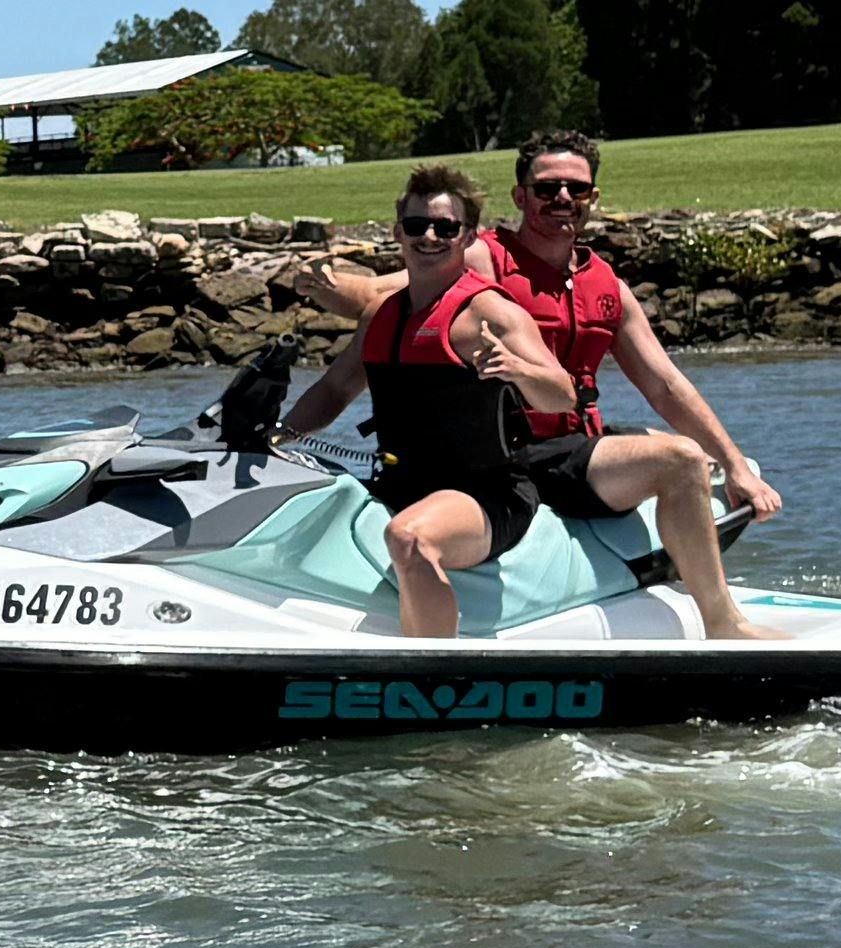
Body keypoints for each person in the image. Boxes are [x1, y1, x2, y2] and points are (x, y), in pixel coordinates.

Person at [307, 133, 775, 639]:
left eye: (576, 188)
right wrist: (324, 284)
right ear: (521, 196)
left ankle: (723, 622)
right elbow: (386, 290)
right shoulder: (480, 256)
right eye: (548, 188)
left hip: (571, 449)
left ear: (593, 197)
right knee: (677, 454)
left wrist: (733, 464)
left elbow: (664, 384)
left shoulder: (607, 288)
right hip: (507, 453)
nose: (563, 198)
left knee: (683, 457)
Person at [269, 168, 584, 639]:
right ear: (399, 233)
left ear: (468, 237)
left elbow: (562, 395)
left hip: (486, 495)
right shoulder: (382, 314)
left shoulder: (491, 313)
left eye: (445, 227)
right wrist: (276, 439)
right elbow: (334, 390)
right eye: (417, 226)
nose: (430, 237)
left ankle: (435, 668)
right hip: (399, 482)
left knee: (409, 537)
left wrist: (517, 369)